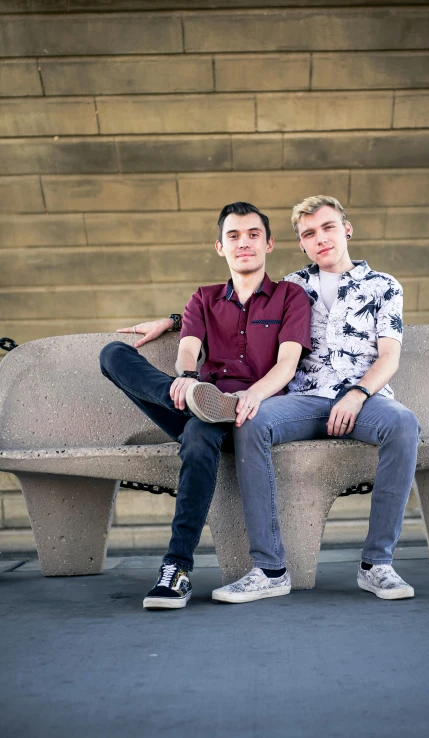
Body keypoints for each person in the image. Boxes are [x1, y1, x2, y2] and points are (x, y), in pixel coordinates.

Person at [126, 196, 421, 603]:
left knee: (404, 423)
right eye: (309, 234)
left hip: (364, 400)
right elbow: (238, 296)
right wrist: (174, 321)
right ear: (300, 244)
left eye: (328, 227)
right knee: (252, 418)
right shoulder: (294, 286)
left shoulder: (384, 286)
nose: (320, 239)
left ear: (346, 229)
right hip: (301, 400)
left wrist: (357, 395)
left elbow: (390, 357)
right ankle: (269, 569)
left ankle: (378, 564)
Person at [100, 202, 311, 610]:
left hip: (254, 413)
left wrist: (251, 396)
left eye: (253, 234)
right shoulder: (204, 298)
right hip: (202, 405)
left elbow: (287, 364)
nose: (243, 243)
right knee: (113, 354)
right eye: (233, 236)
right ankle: (195, 403)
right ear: (219, 247)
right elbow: (188, 350)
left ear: (269, 243)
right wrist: (184, 380)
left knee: (197, 435)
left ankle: (176, 568)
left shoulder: (291, 296)